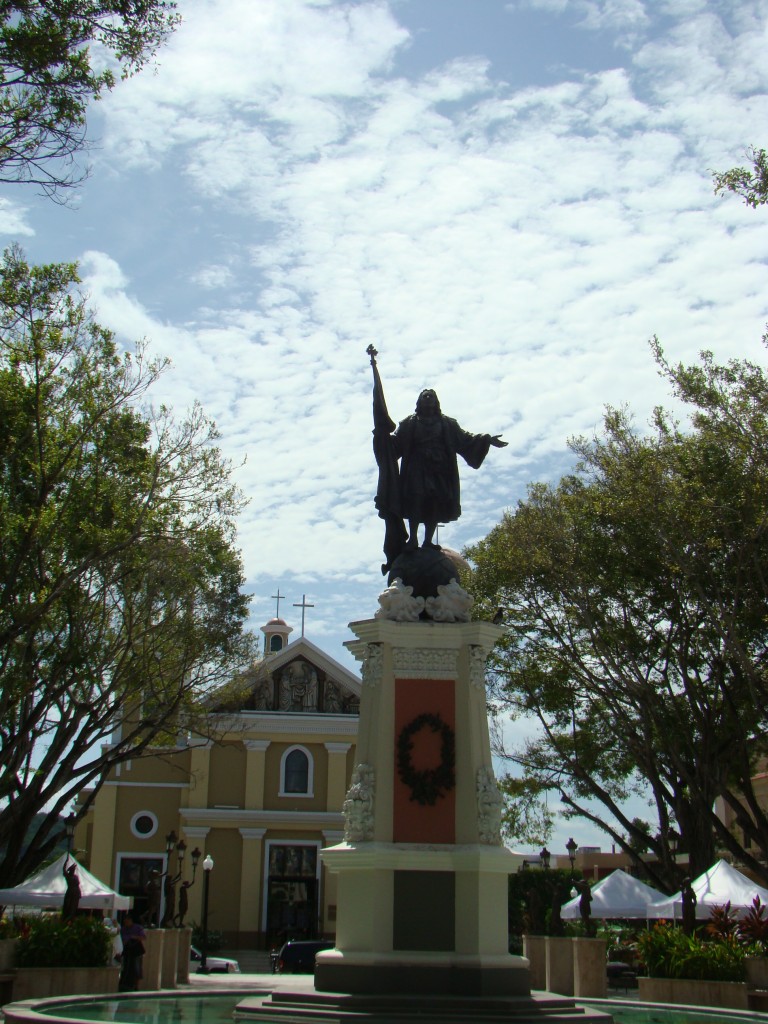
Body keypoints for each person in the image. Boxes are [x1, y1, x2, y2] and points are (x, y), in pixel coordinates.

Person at [368, 346, 507, 571]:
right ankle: (412, 538)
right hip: (415, 468)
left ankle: (427, 540)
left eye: (431, 396)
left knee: (433, 503)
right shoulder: (410, 423)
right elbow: (397, 447)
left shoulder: (447, 424)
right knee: (415, 500)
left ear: (436, 401)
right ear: (420, 401)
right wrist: (382, 438)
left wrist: (487, 440)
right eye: (425, 396)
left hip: (439, 469)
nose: (428, 398)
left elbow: (465, 440)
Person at [119, 913, 146, 992]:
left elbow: (143, 937)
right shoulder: (123, 929)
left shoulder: (137, 928)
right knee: (126, 967)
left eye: (127, 921)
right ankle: (124, 984)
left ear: (131, 920)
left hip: (136, 951)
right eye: (124, 921)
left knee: (137, 968)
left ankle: (136, 986)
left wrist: (132, 937)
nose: (126, 922)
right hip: (127, 951)